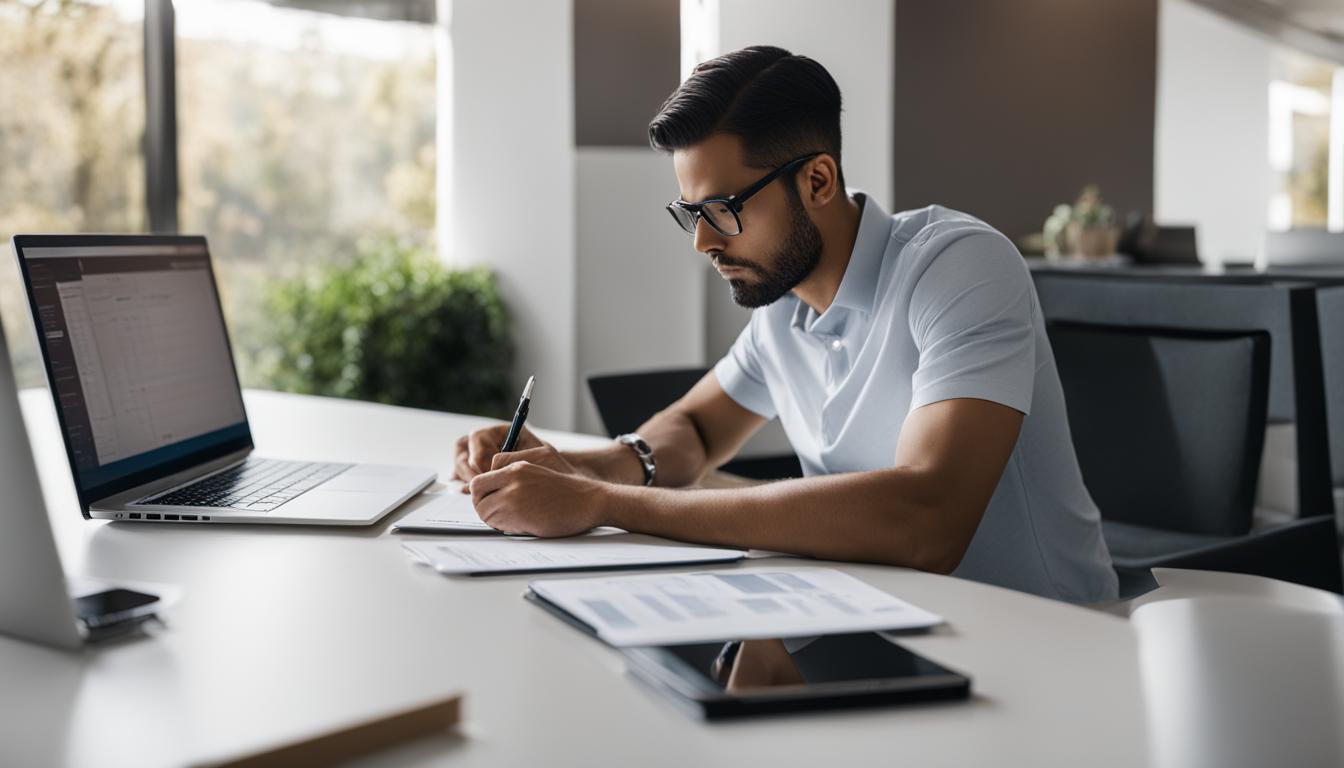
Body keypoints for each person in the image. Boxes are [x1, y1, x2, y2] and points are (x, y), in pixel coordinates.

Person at [453, 45, 1117, 603]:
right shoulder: (784, 304)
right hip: (878, 613)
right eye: (691, 212)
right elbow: (693, 431)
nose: (703, 243)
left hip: (1043, 637)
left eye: (722, 208)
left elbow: (928, 521)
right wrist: (565, 469)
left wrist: (603, 504)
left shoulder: (960, 266)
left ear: (819, 181)